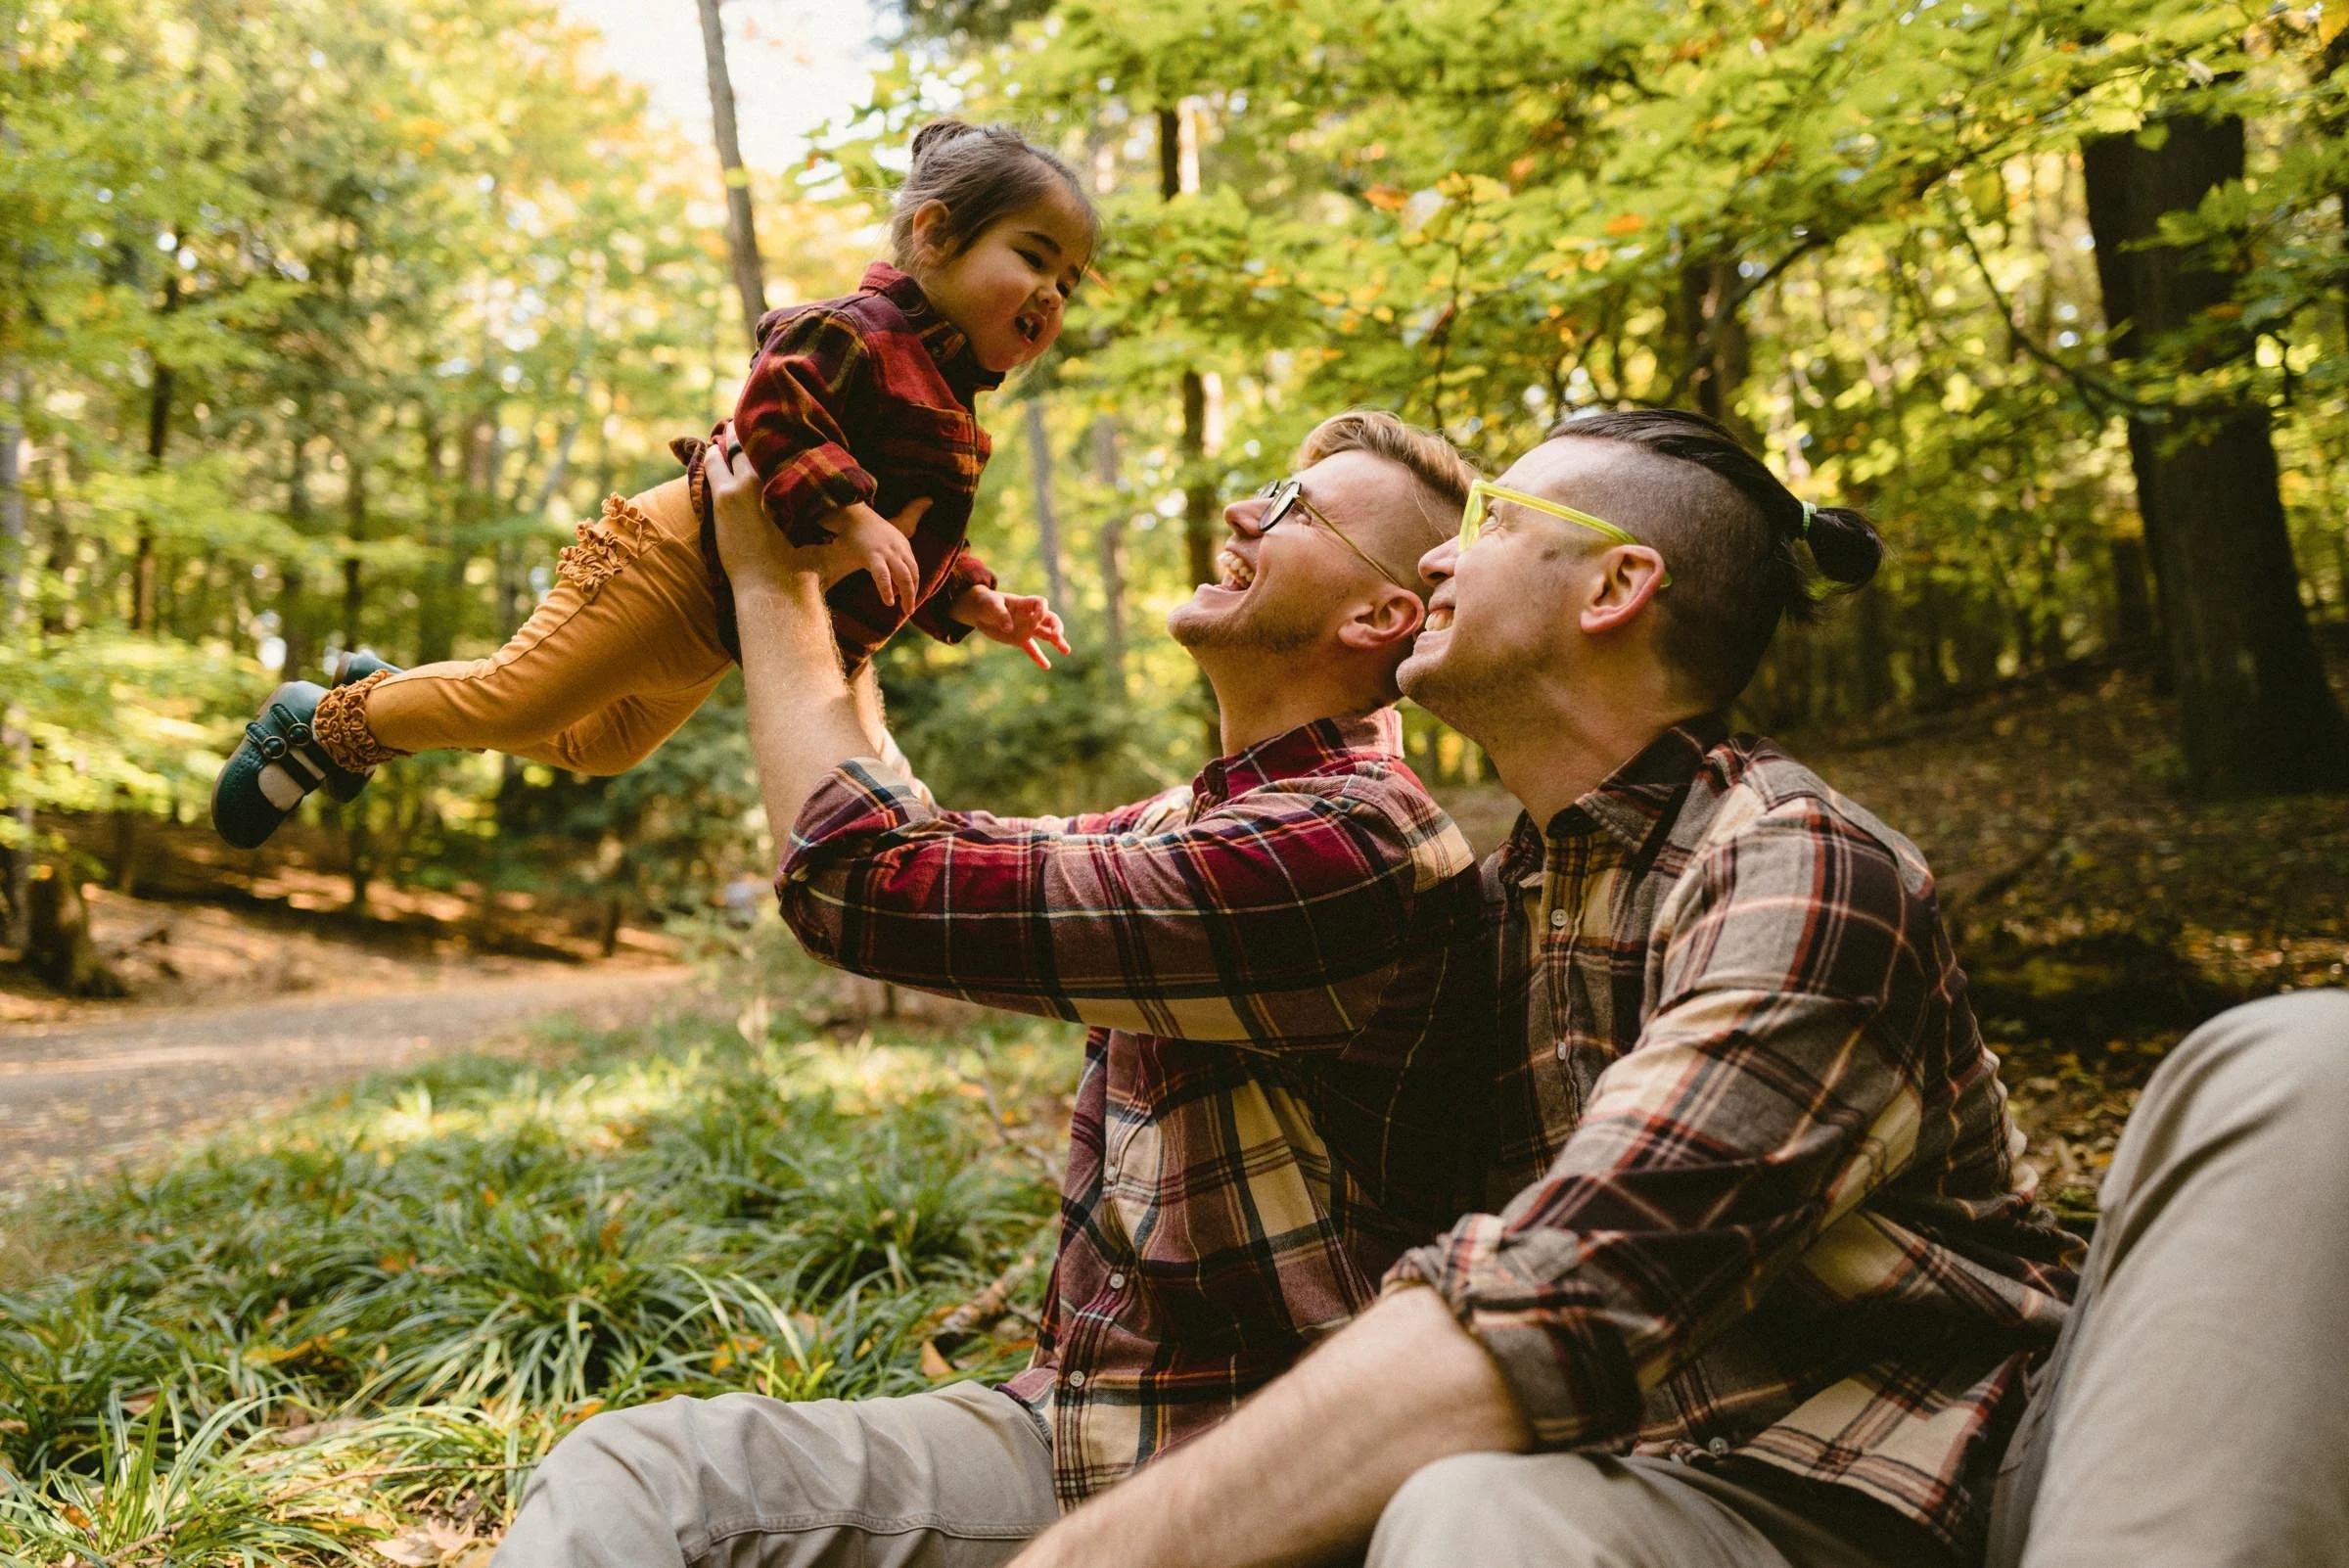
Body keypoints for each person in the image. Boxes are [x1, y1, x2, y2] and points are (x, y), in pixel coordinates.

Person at [1004, 408, 2112, 1568]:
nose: (1437, 555)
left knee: (1474, 1517)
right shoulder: (1505, 903)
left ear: (1615, 587)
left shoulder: (1799, 865)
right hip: (1626, 1483)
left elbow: (1581, 1283)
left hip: (1890, 1481)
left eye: (1490, 522)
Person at [490, 409, 1497, 1567]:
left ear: (1381, 616)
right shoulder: (1211, 819)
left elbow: (863, 885)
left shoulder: (1340, 850)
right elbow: (920, 836)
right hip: (1084, 1427)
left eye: (1300, 509)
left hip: (1240, 1484)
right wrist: (850, 610)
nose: (1242, 510)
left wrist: (766, 583)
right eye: (1268, 484)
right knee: (635, 1473)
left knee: (648, 1488)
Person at [208, 119, 1085, 850]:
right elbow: (774, 416)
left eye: (1069, 283)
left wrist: (970, 598)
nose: (1051, 294)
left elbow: (917, 533)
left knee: (601, 746)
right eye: (1035, 258)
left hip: (721, 625)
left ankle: (388, 690)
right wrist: (850, 515)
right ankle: (317, 726)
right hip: (670, 559)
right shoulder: (856, 334)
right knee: (517, 700)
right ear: (934, 235)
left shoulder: (954, 413)